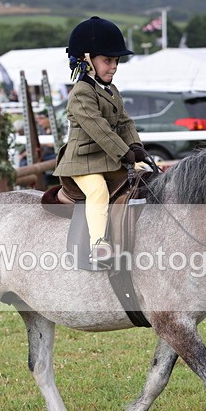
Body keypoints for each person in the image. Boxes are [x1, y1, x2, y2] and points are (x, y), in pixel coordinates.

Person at [53, 16, 148, 264]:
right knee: (98, 191)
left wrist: (137, 147)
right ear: (87, 60)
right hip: (82, 162)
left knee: (146, 175)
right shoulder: (81, 93)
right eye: (108, 60)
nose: (114, 66)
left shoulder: (111, 90)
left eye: (116, 60)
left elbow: (125, 122)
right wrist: (123, 152)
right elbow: (99, 129)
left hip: (108, 157)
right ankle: (98, 244)